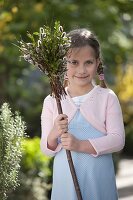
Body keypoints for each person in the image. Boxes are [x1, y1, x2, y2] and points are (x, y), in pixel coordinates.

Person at [40, 28, 125, 200]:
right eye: (73, 62)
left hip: (99, 179)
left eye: (88, 62)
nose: (82, 70)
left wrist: (79, 145)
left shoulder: (107, 97)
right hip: (66, 182)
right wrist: (54, 133)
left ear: (97, 62)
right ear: (62, 63)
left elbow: (117, 140)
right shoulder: (52, 101)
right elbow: (46, 149)